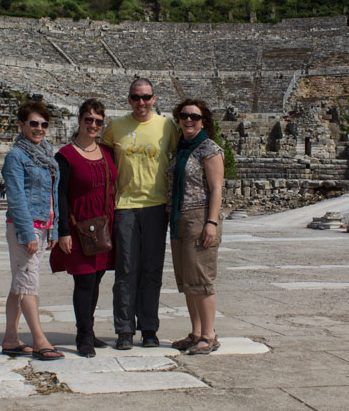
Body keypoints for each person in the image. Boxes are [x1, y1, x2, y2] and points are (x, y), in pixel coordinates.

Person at [101, 78, 178, 349]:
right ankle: (124, 329)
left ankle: (149, 328)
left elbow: (180, 157)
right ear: (128, 99)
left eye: (146, 97)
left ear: (154, 99)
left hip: (156, 207)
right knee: (125, 270)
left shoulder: (167, 126)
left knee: (152, 271)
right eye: (136, 97)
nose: (141, 103)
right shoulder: (115, 127)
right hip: (125, 206)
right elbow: (102, 159)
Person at [50, 99, 117, 358]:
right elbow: (61, 194)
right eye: (88, 119)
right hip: (80, 226)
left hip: (104, 225)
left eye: (98, 121)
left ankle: (89, 329)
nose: (93, 125)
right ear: (79, 120)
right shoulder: (65, 155)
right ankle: (83, 336)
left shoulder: (106, 152)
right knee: (85, 280)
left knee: (98, 276)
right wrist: (63, 231)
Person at [0, 100, 64, 361]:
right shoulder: (16, 156)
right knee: (28, 283)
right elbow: (16, 197)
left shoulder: (47, 155)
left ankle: (10, 339)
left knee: (19, 284)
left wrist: (54, 229)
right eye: (34, 124)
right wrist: (27, 234)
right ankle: (39, 341)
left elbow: (53, 196)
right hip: (24, 227)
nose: (39, 129)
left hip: (42, 226)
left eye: (44, 124)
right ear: (22, 125)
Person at [166, 99, 224, 354]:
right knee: (188, 281)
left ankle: (209, 335)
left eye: (194, 117)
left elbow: (216, 188)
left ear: (203, 121)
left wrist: (211, 222)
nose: (188, 120)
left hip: (200, 217)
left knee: (201, 279)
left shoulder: (208, 148)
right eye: (184, 115)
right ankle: (196, 332)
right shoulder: (180, 149)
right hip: (179, 218)